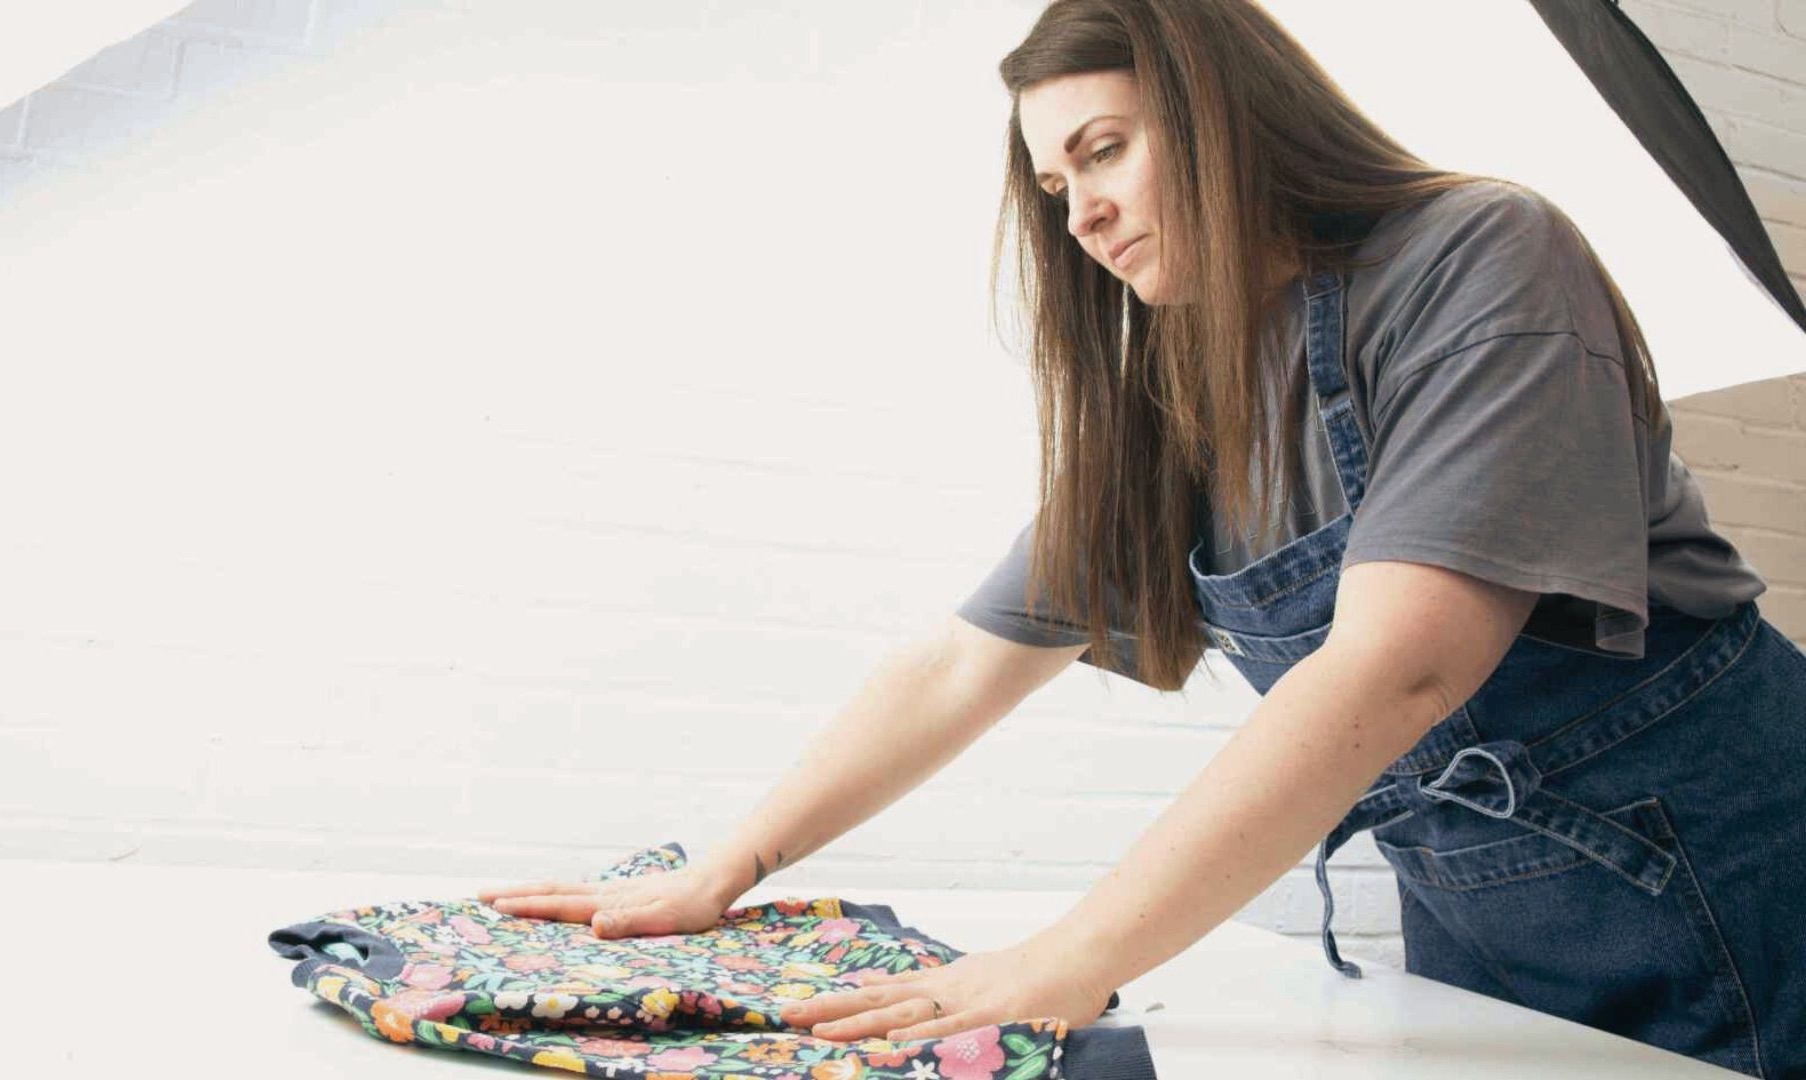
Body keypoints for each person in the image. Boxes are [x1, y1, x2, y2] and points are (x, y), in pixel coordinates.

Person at [481, 1, 1804, 1074]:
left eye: (1105, 151)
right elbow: (964, 662)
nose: (1080, 216)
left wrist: (1072, 959)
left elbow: (1400, 665)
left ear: (1228, 111)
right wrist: (731, 862)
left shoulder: (1482, 253)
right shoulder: (1178, 390)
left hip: (1734, 880)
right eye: (1055, 185)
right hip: (1479, 920)